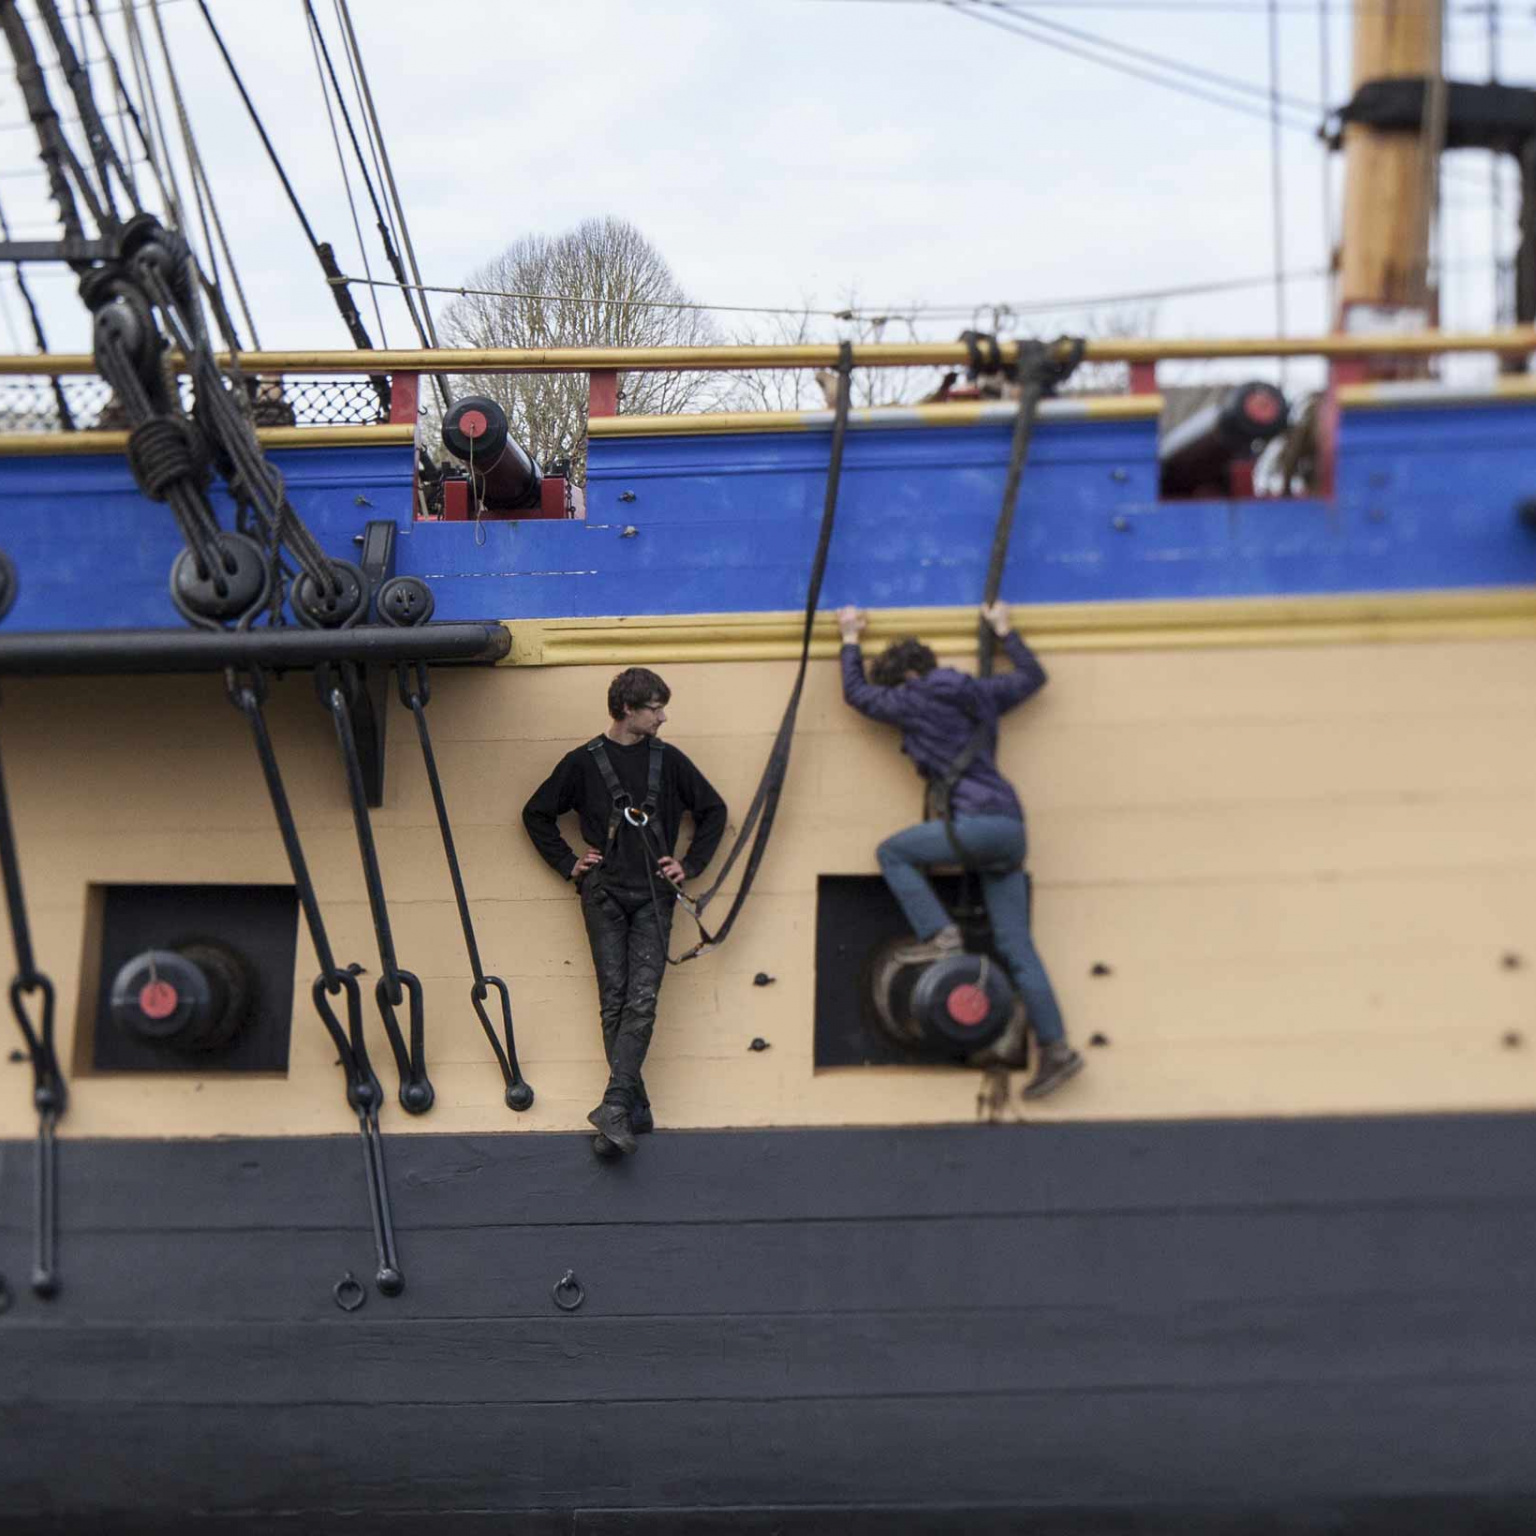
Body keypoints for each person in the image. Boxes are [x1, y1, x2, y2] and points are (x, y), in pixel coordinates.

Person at [837, 602, 1083, 1099]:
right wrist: (1005, 630)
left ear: (907, 674)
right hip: (1010, 827)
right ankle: (1057, 1049)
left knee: (893, 853)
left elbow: (857, 694)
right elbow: (1033, 677)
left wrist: (849, 637)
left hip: (974, 825)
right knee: (1018, 949)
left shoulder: (910, 699)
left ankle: (941, 934)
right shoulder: (975, 690)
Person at [522, 666, 728, 1154]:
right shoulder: (583, 762)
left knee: (642, 999)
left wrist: (690, 864)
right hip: (604, 894)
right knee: (615, 999)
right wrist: (569, 864)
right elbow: (536, 813)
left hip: (655, 894)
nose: (663, 717)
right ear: (627, 710)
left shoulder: (670, 761)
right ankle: (631, 1107)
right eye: (655, 708)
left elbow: (714, 811)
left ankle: (614, 1105)